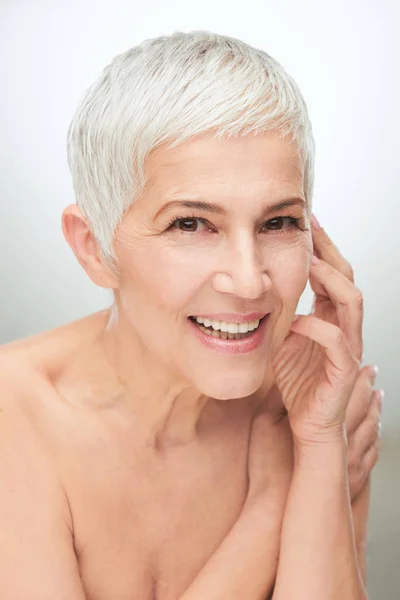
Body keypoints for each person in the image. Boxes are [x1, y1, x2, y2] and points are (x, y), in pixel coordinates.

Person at [0, 31, 382, 600]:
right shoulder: (15, 414)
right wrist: (276, 500)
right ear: (93, 248)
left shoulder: (314, 409)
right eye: (190, 224)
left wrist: (320, 447)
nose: (249, 280)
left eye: (278, 223)